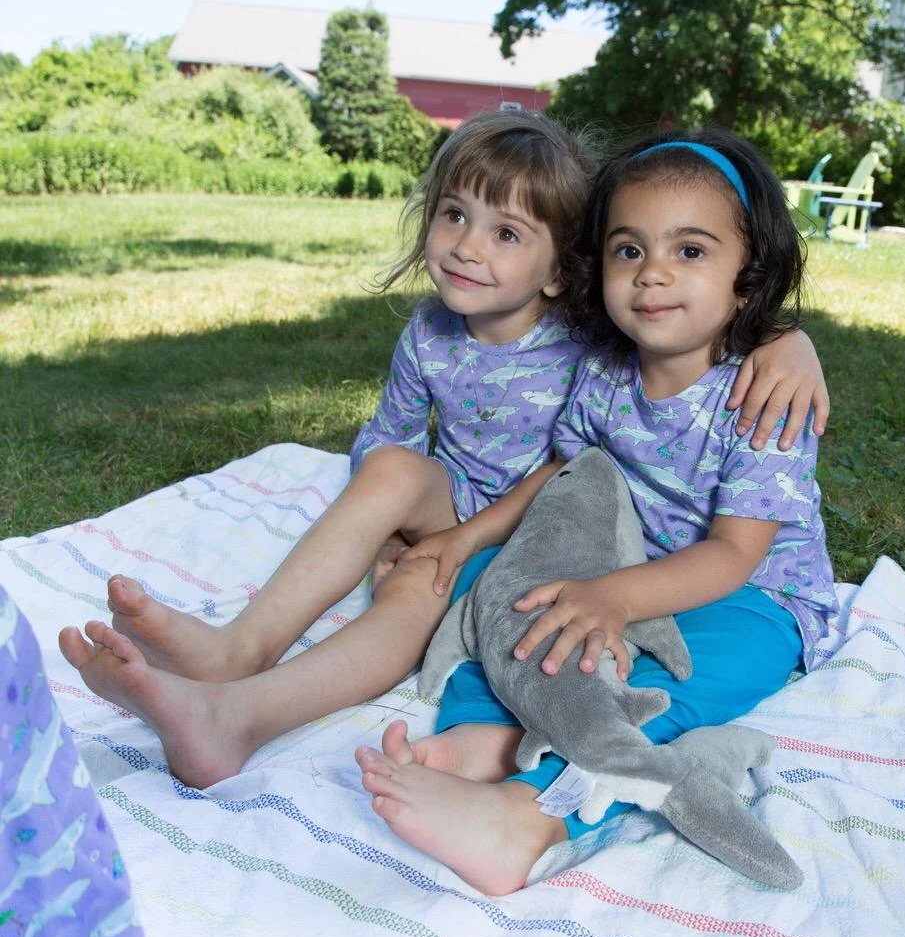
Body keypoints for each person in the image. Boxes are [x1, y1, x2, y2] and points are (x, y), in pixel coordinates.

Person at [57, 113, 828, 792]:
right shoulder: (481, 340)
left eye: (505, 233)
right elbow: (436, 448)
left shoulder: (606, 346)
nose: (466, 246)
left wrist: (785, 338)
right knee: (403, 505)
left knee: (444, 598)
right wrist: (402, 535)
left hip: (581, 547)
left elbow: (691, 346)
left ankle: (245, 717)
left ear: (563, 271)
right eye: (453, 215)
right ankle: (239, 654)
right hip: (500, 521)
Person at [355, 127, 838, 897]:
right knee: (515, 604)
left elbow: (734, 555)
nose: (652, 274)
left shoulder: (762, 400)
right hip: (624, 569)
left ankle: (529, 820)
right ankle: (481, 736)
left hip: (753, 599)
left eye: (689, 250)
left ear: (747, 278)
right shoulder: (605, 373)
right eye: (628, 249)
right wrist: (468, 541)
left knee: (662, 689)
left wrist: (613, 597)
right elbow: (564, 476)